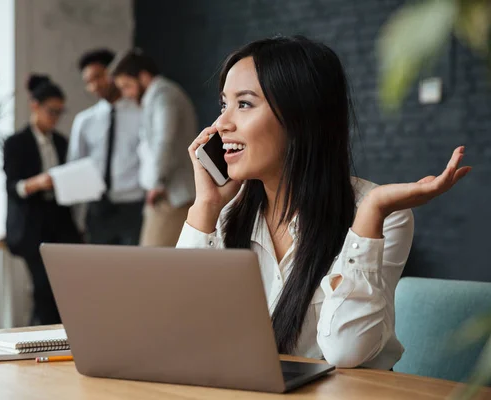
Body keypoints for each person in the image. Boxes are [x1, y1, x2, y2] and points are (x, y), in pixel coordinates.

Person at [177, 36, 471, 369]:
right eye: (223, 105)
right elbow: (180, 332)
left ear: (300, 116)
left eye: (244, 104)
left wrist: (371, 213)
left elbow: (347, 352)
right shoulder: (225, 210)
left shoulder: (383, 216)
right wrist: (204, 208)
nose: (221, 124)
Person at [4, 75, 81, 325]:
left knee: (68, 288)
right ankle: (39, 338)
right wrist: (38, 182)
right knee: (43, 289)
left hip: (60, 221)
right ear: (34, 106)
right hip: (31, 225)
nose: (56, 117)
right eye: (51, 111)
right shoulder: (16, 143)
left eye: (60, 112)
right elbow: (13, 187)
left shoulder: (60, 142)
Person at [112, 50, 197, 247]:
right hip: (167, 192)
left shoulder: (163, 95)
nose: (127, 94)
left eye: (127, 86)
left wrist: (156, 184)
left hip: (170, 194)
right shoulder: (158, 96)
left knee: (150, 262)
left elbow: (164, 141)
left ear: (143, 76)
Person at [68, 49, 144, 245]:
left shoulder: (142, 115)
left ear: (114, 74)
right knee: (98, 272)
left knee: (132, 270)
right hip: (98, 209)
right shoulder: (84, 121)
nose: (94, 86)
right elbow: (75, 167)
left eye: (98, 77)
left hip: (133, 206)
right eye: (88, 82)